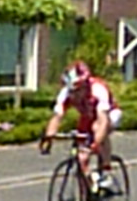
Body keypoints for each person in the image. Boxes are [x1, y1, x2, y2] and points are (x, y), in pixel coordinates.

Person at [40, 59, 122, 189]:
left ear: (85, 84)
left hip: (109, 113)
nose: (74, 94)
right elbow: (57, 117)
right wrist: (48, 138)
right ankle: (90, 192)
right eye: (72, 90)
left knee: (97, 130)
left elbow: (103, 120)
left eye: (78, 90)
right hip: (88, 115)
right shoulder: (66, 93)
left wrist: (95, 144)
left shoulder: (98, 89)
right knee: (81, 157)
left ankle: (106, 170)